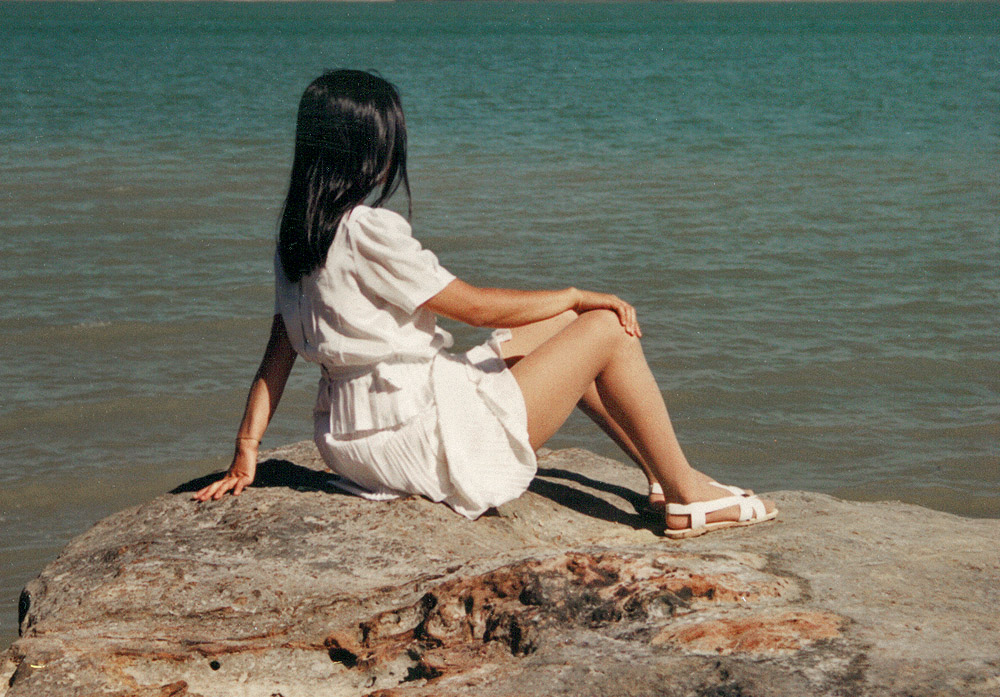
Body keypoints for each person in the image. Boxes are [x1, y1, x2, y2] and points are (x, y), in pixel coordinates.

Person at [193, 69, 777, 539]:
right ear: (369, 150)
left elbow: (279, 351)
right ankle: (685, 495)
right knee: (602, 326)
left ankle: (658, 474)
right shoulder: (368, 229)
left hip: (353, 445)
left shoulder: (298, 235)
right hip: (420, 434)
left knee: (565, 328)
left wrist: (247, 451)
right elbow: (472, 308)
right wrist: (576, 291)